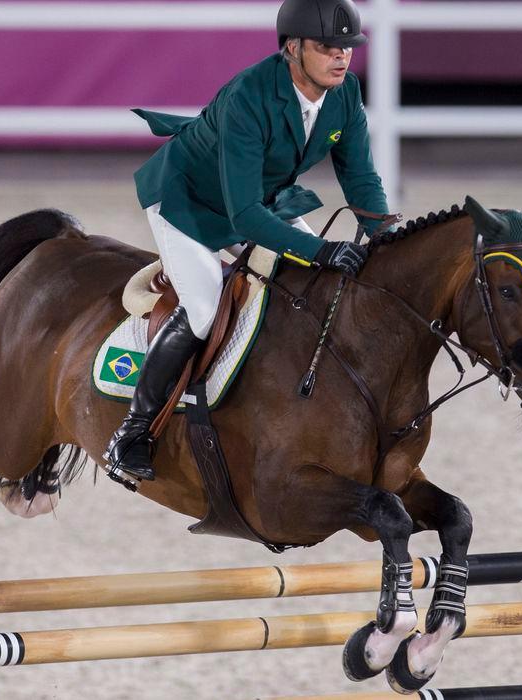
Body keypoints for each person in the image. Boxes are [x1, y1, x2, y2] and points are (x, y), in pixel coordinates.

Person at [106, 0, 390, 482]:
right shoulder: (248, 96)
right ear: (293, 49)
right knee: (203, 308)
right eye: (328, 47)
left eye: (347, 47)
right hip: (189, 201)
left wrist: (386, 234)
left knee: (308, 290)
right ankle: (132, 433)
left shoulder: (345, 92)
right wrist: (321, 250)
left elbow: (360, 177)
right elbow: (244, 216)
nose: (342, 58)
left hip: (261, 199)